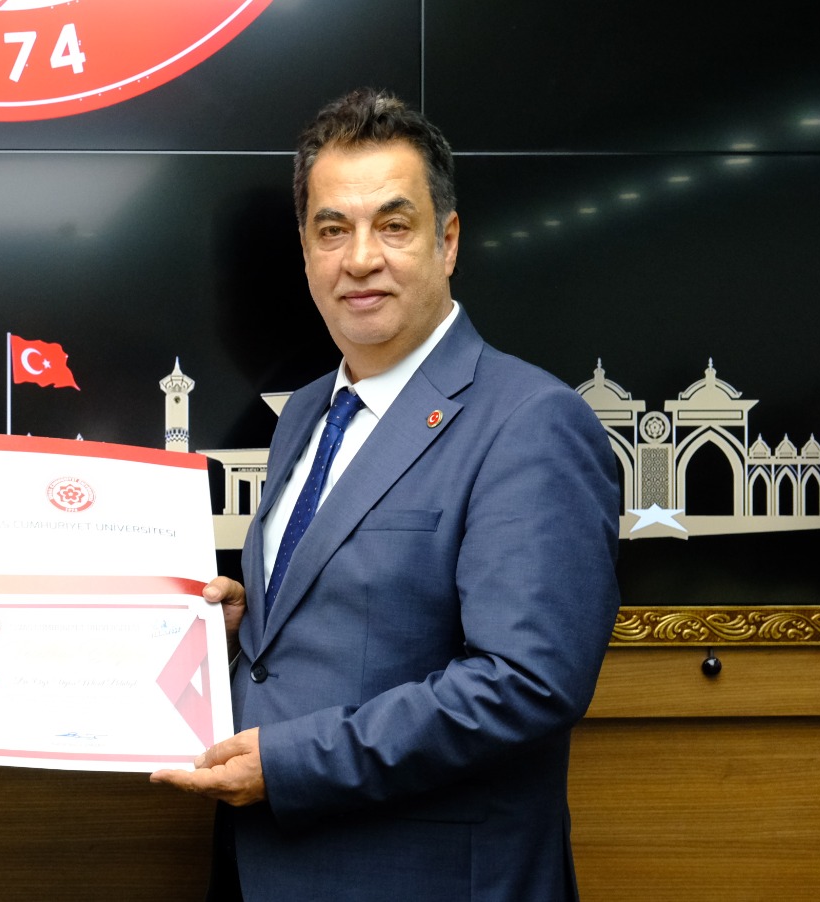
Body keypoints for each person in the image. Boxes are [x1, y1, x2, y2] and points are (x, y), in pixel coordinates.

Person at [152, 88, 620, 901]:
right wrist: (238, 627)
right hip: (261, 868)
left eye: (393, 226)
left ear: (448, 241)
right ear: (306, 252)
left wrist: (291, 762)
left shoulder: (531, 421)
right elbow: (341, 615)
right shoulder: (306, 413)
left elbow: (525, 683)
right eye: (332, 230)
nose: (360, 258)